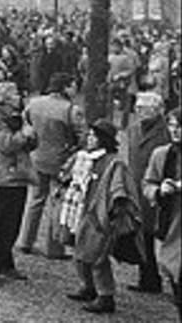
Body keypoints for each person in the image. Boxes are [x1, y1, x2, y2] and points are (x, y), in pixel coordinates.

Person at [63, 119, 140, 314]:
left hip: (99, 215)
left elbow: (119, 188)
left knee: (97, 255)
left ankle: (106, 296)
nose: (89, 138)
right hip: (80, 210)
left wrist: (115, 212)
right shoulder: (83, 157)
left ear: (103, 139)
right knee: (80, 251)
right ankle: (87, 286)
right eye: (88, 135)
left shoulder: (114, 162)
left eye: (94, 136)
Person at [17, 72, 85, 258]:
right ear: (65, 87)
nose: (75, 88)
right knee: (57, 203)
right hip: (60, 161)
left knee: (35, 200)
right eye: (73, 85)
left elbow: (25, 122)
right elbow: (82, 137)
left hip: (36, 157)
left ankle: (25, 241)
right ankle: (54, 248)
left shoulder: (34, 103)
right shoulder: (71, 110)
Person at [0, 84, 36, 282]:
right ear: (2, 98)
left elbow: (30, 141)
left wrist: (31, 137)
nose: (18, 96)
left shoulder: (17, 117)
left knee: (13, 224)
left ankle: (6, 263)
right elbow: (6, 144)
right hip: (5, 177)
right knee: (4, 224)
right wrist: (25, 135)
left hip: (18, 175)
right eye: (13, 93)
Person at [126, 91, 170, 295]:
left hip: (159, 189)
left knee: (158, 234)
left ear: (157, 110)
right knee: (142, 235)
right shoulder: (133, 129)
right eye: (138, 109)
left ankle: (160, 278)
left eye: (146, 109)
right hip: (137, 187)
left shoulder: (166, 131)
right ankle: (148, 278)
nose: (141, 113)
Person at [142, 108, 181, 318]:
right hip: (170, 225)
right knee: (175, 277)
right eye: (172, 126)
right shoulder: (162, 154)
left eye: (179, 126)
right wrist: (158, 190)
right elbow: (148, 184)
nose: (175, 131)